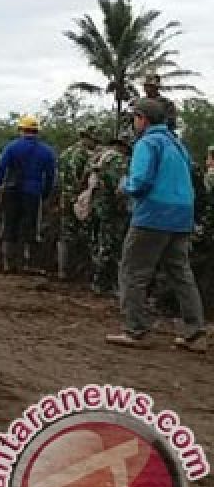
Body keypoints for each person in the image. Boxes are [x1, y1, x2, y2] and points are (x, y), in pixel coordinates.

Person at [107, 99, 204, 349]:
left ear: (143, 119)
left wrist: (124, 186)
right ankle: (196, 334)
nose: (134, 123)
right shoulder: (177, 144)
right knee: (180, 273)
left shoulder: (147, 143)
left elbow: (140, 183)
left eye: (135, 118)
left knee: (133, 271)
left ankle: (135, 330)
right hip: (182, 216)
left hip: (152, 215)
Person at [0, 116, 57, 273]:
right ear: (37, 132)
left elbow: (0, 169)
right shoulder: (47, 151)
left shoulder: (12, 147)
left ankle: (8, 263)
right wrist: (45, 193)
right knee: (30, 227)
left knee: (9, 225)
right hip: (33, 193)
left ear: (21, 130)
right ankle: (27, 263)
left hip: (12, 191)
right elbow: (50, 176)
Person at [89, 134, 132, 297]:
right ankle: (104, 284)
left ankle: (99, 282)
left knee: (101, 243)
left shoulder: (102, 157)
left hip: (100, 207)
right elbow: (120, 189)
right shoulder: (117, 161)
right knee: (111, 246)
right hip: (112, 210)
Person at [56, 127, 99, 280]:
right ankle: (84, 272)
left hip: (65, 197)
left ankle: (63, 270)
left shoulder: (66, 153)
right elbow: (83, 179)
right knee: (87, 234)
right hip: (81, 199)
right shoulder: (87, 156)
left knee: (65, 234)